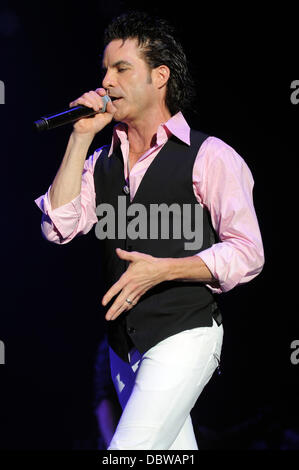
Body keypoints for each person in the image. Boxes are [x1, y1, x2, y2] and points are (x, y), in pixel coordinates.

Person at [34, 11, 264, 450]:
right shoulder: (99, 161)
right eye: (104, 69)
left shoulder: (209, 156)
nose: (106, 81)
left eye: (121, 69)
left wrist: (163, 270)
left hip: (186, 333)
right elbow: (57, 228)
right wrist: (80, 137)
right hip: (123, 349)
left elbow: (249, 252)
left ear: (160, 77)